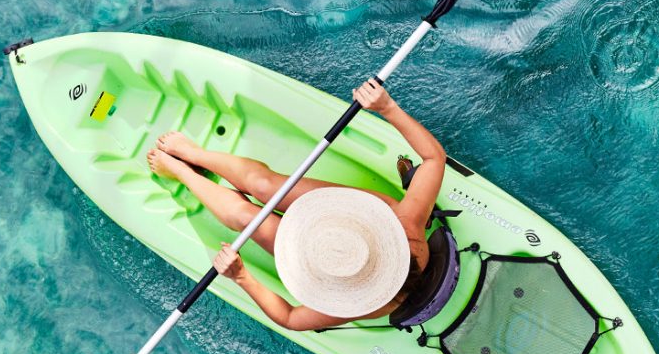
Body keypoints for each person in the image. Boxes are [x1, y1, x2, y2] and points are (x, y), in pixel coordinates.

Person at [145, 78, 446, 331]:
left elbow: (291, 318)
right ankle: (196, 156)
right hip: (346, 213)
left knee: (248, 217)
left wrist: (241, 276)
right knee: (264, 185)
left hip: (317, 256)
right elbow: (434, 158)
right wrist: (388, 108)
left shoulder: (362, 303)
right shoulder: (406, 225)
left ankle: (183, 172)